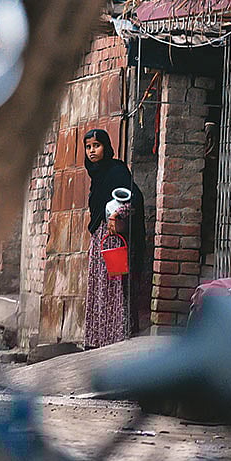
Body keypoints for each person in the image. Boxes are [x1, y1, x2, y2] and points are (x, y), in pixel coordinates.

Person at [83, 128, 146, 348]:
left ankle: (115, 335)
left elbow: (134, 197)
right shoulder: (96, 175)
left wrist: (118, 214)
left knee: (114, 285)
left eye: (97, 146)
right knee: (99, 286)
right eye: (89, 147)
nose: (92, 151)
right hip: (99, 237)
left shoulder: (117, 170)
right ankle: (98, 337)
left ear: (106, 147)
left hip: (114, 238)